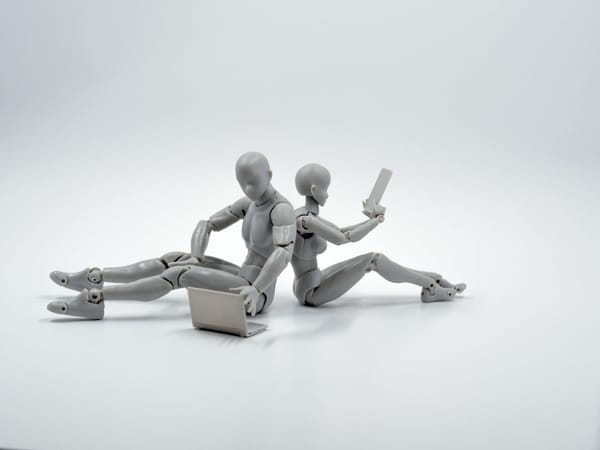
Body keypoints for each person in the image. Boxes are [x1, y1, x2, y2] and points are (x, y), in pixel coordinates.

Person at [47, 152, 296, 320]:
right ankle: (96, 277)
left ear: (269, 175)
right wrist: (196, 256)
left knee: (180, 274)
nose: (247, 189)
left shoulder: (281, 210)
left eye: (252, 182)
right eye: (242, 183)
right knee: (174, 258)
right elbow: (207, 224)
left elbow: (283, 253)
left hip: (256, 294)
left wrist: (256, 289)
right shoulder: (249, 203)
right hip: (243, 276)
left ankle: (95, 299)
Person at [291, 163, 466, 307]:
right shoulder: (305, 220)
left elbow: (341, 230)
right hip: (311, 292)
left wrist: (370, 220)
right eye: (325, 189)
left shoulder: (306, 215)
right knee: (374, 260)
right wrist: (375, 222)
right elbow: (343, 239)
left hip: (315, 279)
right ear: (314, 190)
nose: (328, 194)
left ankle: (435, 279)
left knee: (374, 259)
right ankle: (431, 288)